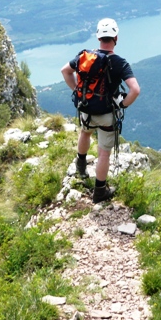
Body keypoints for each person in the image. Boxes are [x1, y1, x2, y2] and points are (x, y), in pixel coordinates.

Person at [61, 18, 140, 203]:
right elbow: (135, 90)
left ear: (98, 37)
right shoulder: (119, 62)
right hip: (107, 115)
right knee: (104, 153)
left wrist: (79, 92)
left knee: (85, 133)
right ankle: (99, 191)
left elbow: (65, 71)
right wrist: (123, 105)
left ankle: (80, 166)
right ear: (116, 38)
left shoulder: (85, 57)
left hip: (86, 108)